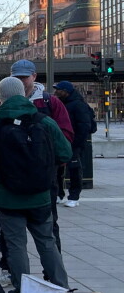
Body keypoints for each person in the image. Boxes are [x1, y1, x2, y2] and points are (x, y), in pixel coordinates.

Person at [0, 77, 71, 293]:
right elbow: (65, 153)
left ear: (0, 98)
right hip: (40, 196)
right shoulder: (44, 122)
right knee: (47, 241)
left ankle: (24, 292)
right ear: (24, 94)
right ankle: (62, 289)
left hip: (7, 196)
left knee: (16, 244)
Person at [10, 59, 73, 253]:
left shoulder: (49, 102)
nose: (21, 82)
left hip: (44, 174)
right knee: (11, 232)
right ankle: (12, 271)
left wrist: (51, 160)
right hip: (13, 173)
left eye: (24, 77)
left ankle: (54, 272)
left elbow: (66, 135)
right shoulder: (5, 103)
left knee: (49, 224)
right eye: (16, 78)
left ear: (34, 76)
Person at [53, 80, 93, 208]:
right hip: (62, 141)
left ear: (66, 91)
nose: (56, 91)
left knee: (74, 168)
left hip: (73, 142)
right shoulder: (61, 103)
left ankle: (74, 196)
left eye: (58, 89)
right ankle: (59, 194)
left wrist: (76, 143)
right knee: (58, 168)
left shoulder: (78, 105)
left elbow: (84, 126)